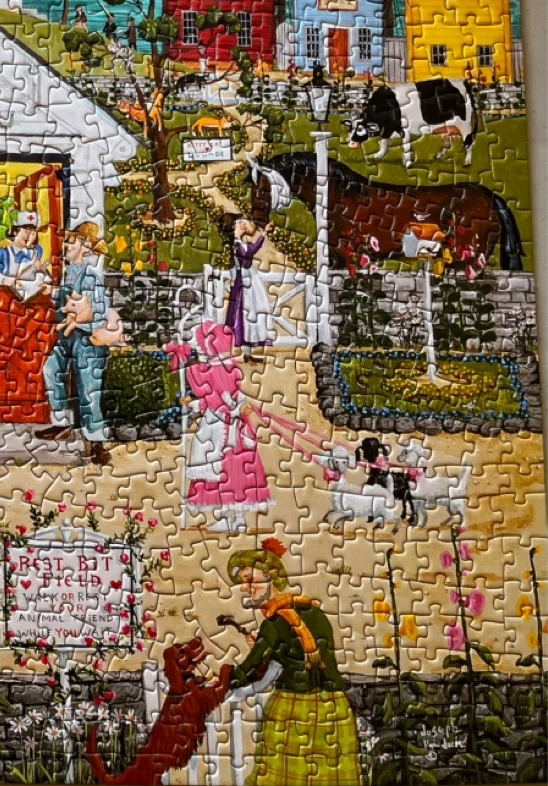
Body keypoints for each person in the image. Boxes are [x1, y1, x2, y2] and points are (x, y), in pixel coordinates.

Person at [223, 539, 361, 786]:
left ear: (270, 576)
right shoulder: (314, 612)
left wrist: (222, 684)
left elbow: (248, 669)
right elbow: (294, 659)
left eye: (250, 580)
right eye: (243, 582)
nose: (245, 588)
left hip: (293, 710)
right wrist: (269, 648)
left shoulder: (274, 624)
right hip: (335, 710)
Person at [171, 322, 272, 533]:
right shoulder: (230, 368)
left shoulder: (216, 371)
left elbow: (215, 401)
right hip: (232, 430)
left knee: (226, 475)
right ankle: (235, 520)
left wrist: (193, 404)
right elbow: (221, 399)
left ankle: (233, 519)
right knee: (234, 476)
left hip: (221, 430)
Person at [37, 223, 113, 464]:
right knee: (51, 370)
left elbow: (98, 313)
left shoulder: (91, 277)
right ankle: (61, 423)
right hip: (67, 338)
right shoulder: (69, 272)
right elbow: (67, 300)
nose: (66, 246)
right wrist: (52, 293)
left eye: (72, 242)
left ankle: (97, 442)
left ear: (86, 247)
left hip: (87, 341)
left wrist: (79, 322)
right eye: (67, 241)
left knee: (88, 391)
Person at [0, 210, 52, 302]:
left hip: (31, 299)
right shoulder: (1, 250)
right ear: (15, 232)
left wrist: (47, 283)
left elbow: (41, 276)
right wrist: (4, 280)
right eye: (26, 232)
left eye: (33, 234)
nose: (29, 237)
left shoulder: (37, 251)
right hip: (6, 298)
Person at [227, 218, 271, 352]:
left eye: (242, 224)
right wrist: (237, 235)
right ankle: (245, 349)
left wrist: (263, 235)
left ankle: (249, 351)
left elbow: (253, 249)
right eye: (239, 224)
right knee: (243, 313)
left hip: (252, 280)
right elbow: (244, 256)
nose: (240, 226)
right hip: (242, 281)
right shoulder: (236, 244)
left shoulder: (246, 244)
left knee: (254, 311)